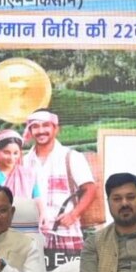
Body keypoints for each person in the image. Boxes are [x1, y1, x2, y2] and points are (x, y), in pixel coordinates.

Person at [23, 109, 96, 254]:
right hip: (30, 237)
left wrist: (73, 215)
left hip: (65, 234)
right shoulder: (24, 162)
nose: (41, 131)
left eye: (46, 125)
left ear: (56, 129)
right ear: (30, 131)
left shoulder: (71, 157)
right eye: (35, 126)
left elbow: (90, 189)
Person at [0, 129, 45, 227]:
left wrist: (43, 214)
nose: (12, 158)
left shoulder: (28, 174)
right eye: (6, 152)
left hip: (25, 223)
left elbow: (37, 197)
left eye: (15, 153)